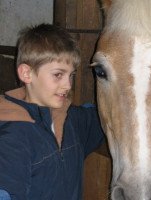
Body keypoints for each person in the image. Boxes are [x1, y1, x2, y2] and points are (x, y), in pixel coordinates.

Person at [0, 24, 104, 200]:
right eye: (58, 75)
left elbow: (106, 118)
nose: (68, 85)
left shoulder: (73, 119)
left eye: (71, 75)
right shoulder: (12, 138)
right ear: (27, 74)